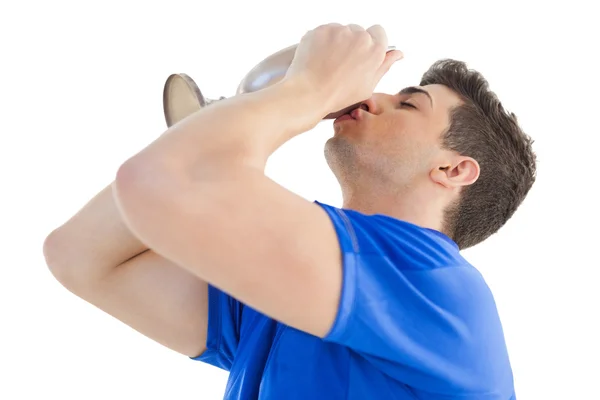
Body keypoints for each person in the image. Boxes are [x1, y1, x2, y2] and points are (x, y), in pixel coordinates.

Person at [43, 23, 536, 400]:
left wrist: (306, 92)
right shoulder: (289, 297)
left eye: (409, 105)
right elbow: (81, 256)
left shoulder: (437, 286)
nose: (374, 96)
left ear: (453, 170)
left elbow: (161, 184)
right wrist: (252, 107)